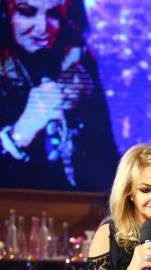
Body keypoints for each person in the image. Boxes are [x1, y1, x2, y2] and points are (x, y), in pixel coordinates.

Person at [0, 0, 118, 190]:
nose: (42, 28)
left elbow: (107, 162)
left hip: (77, 213)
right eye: (26, 12)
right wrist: (18, 135)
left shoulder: (78, 65)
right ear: (5, 14)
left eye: (53, 14)